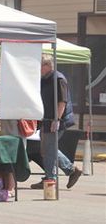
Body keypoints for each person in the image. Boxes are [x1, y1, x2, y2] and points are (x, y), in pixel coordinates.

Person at [30, 54, 81, 190]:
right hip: (46, 119)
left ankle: (50, 178)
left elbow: (62, 101)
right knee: (46, 149)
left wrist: (56, 119)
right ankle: (70, 170)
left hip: (56, 120)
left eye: (40, 66)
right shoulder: (45, 79)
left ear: (47, 66)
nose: (38, 69)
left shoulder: (58, 79)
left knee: (49, 149)